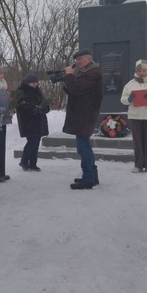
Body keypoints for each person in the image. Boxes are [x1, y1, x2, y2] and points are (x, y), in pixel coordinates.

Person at [62, 49, 103, 190]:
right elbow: (77, 91)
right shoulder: (87, 72)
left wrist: (69, 76)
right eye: (77, 60)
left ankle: (88, 179)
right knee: (85, 147)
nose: (78, 62)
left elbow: (78, 88)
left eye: (81, 59)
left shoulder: (93, 73)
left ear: (89, 59)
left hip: (85, 115)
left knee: (83, 148)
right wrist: (67, 82)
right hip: (83, 114)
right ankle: (92, 176)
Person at [120, 60, 147, 173]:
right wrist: (129, 99)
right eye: (139, 71)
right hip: (135, 115)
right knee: (137, 141)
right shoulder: (130, 84)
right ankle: (138, 164)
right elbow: (123, 99)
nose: (141, 73)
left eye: (144, 70)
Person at [15, 73, 50, 172]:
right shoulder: (21, 91)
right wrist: (32, 109)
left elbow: (44, 101)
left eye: (36, 83)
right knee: (32, 141)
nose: (34, 85)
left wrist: (44, 108)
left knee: (36, 141)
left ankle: (33, 163)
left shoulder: (37, 91)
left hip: (38, 119)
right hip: (28, 121)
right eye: (32, 83)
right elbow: (20, 106)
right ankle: (24, 161)